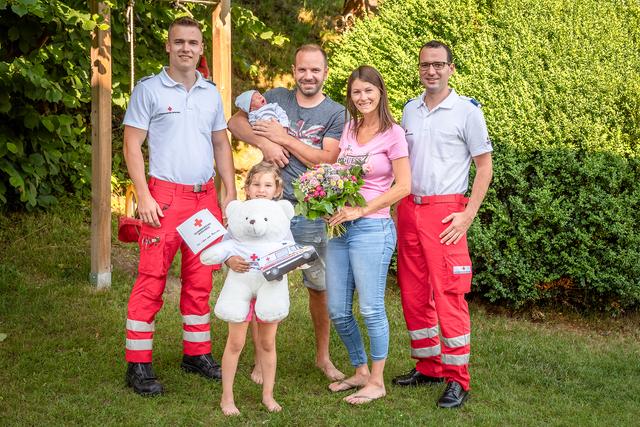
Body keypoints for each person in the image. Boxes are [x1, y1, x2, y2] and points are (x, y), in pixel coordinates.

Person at [121, 16, 236, 396]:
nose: (186, 47)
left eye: (193, 42)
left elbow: (221, 144)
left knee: (201, 280)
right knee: (151, 280)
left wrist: (228, 192)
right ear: (168, 47)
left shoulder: (209, 93)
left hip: (204, 199)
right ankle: (138, 364)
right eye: (179, 42)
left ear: (202, 48)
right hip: (164, 198)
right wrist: (143, 195)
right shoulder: (149, 90)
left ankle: (196, 353)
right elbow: (132, 145)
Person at [227, 44, 346, 382]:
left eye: (315, 70)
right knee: (260, 278)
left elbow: (327, 160)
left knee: (318, 286)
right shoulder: (277, 97)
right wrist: (266, 143)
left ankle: (323, 357)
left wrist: (284, 138)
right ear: (294, 71)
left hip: (309, 211)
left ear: (325, 72)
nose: (308, 76)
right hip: (267, 210)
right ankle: (260, 361)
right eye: (302, 69)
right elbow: (235, 123)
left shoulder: (336, 113)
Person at [392, 40, 493, 409]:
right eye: (425, 65)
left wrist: (468, 214)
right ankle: (429, 365)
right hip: (409, 208)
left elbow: (485, 167)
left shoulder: (466, 111)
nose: (431, 71)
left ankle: (457, 379)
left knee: (449, 294)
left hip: (447, 212)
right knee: (414, 292)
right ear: (418, 68)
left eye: (438, 64)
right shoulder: (409, 110)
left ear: (451, 68)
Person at [324, 65, 411, 405]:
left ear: (380, 92)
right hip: (340, 226)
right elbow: (339, 173)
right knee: (338, 309)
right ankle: (359, 369)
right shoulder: (349, 128)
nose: (362, 97)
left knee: (372, 308)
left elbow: (404, 186)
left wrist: (362, 209)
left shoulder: (394, 133)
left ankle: (377, 380)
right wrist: (327, 200)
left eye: (368, 91)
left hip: (373, 226)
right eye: (356, 92)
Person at [213, 162, 289, 415]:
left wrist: (289, 264)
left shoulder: (280, 218)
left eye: (267, 185)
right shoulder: (239, 216)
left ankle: (268, 395)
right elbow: (225, 245)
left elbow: (289, 249)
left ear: (277, 189)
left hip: (270, 286)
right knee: (235, 342)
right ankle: (227, 397)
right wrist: (229, 260)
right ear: (246, 188)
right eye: (256, 184)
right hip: (241, 285)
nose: (261, 190)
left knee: (268, 343)